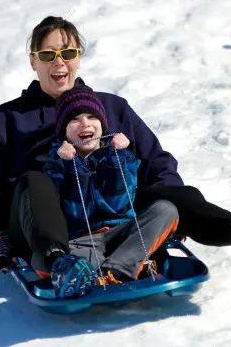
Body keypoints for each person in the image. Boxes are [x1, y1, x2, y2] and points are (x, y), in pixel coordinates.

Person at [0, 16, 231, 298]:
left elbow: (156, 162)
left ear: (79, 56)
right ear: (33, 60)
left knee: (170, 195)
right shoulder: (8, 119)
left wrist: (170, 216)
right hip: (42, 226)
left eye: (67, 52)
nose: (58, 62)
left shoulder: (111, 108)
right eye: (48, 54)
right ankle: (60, 263)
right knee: (34, 180)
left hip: (112, 215)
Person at [42, 86, 181, 298]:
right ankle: (115, 269)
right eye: (74, 120)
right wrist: (71, 167)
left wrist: (117, 159)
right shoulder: (55, 167)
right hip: (82, 240)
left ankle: (116, 271)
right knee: (67, 259)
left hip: (122, 232)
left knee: (165, 209)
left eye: (91, 117)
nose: (85, 123)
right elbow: (76, 213)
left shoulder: (121, 157)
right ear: (64, 132)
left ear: (102, 124)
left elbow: (119, 206)